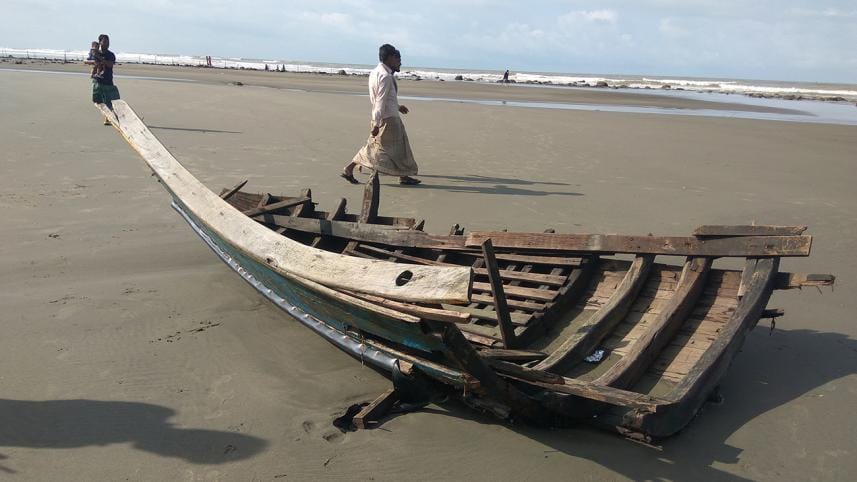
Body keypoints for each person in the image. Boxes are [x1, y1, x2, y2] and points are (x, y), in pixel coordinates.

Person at [341, 44, 420, 185]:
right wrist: (377, 122)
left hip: (384, 115)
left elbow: (383, 98)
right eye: (397, 58)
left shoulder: (375, 73)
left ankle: (350, 169)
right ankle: (403, 176)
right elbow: (380, 100)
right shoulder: (386, 76)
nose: (400, 62)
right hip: (388, 118)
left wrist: (397, 106)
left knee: (381, 146)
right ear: (390, 58)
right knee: (386, 148)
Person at [91, 34, 120, 125]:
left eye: (108, 42)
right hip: (98, 81)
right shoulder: (96, 53)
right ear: (100, 42)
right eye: (105, 42)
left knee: (111, 101)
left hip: (108, 80)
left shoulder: (110, 55)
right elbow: (91, 62)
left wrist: (99, 58)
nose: (107, 44)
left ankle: (109, 118)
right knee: (98, 101)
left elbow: (110, 65)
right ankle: (107, 117)